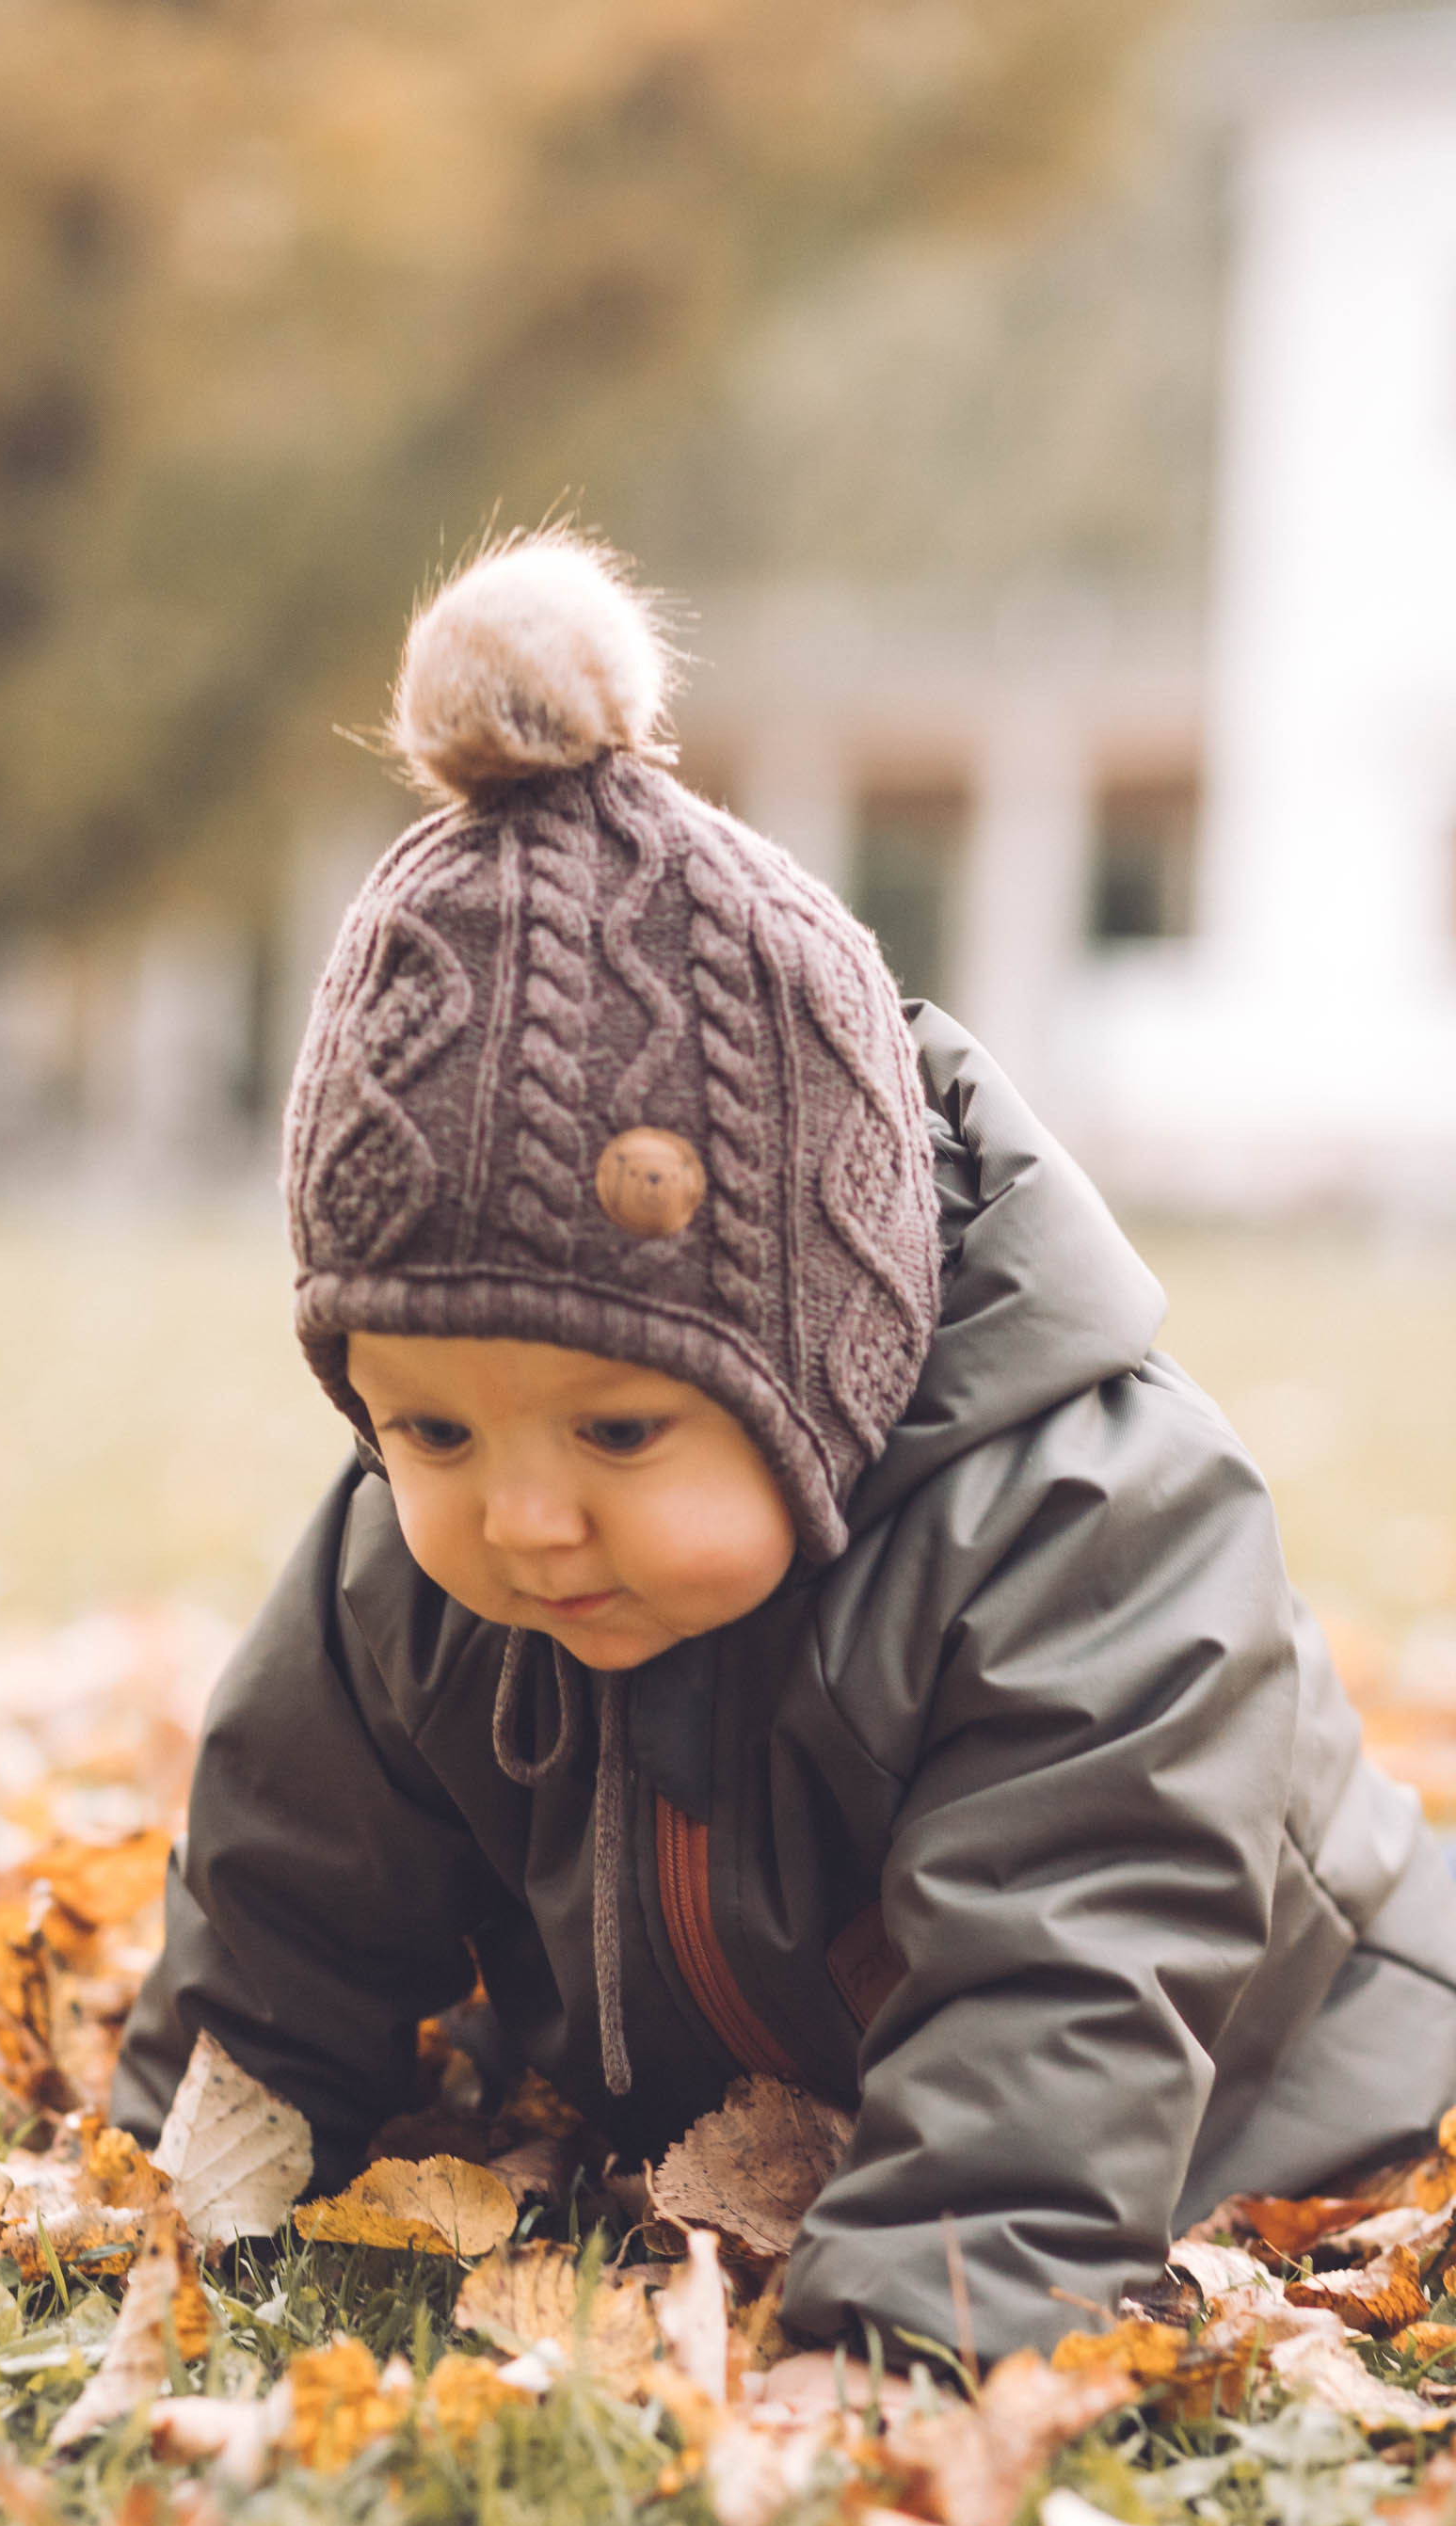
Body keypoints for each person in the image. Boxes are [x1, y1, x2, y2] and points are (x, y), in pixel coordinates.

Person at [112, 530, 1456, 2364]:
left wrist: (919, 2335)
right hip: (736, 2095)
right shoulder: (406, 1572)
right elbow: (289, 1904)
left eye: (618, 1425)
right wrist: (208, 2182)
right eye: (425, 1423)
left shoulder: (1088, 1535)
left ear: (830, 1361)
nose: (522, 1513)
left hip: (1255, 2098)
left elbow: (1067, 1982)